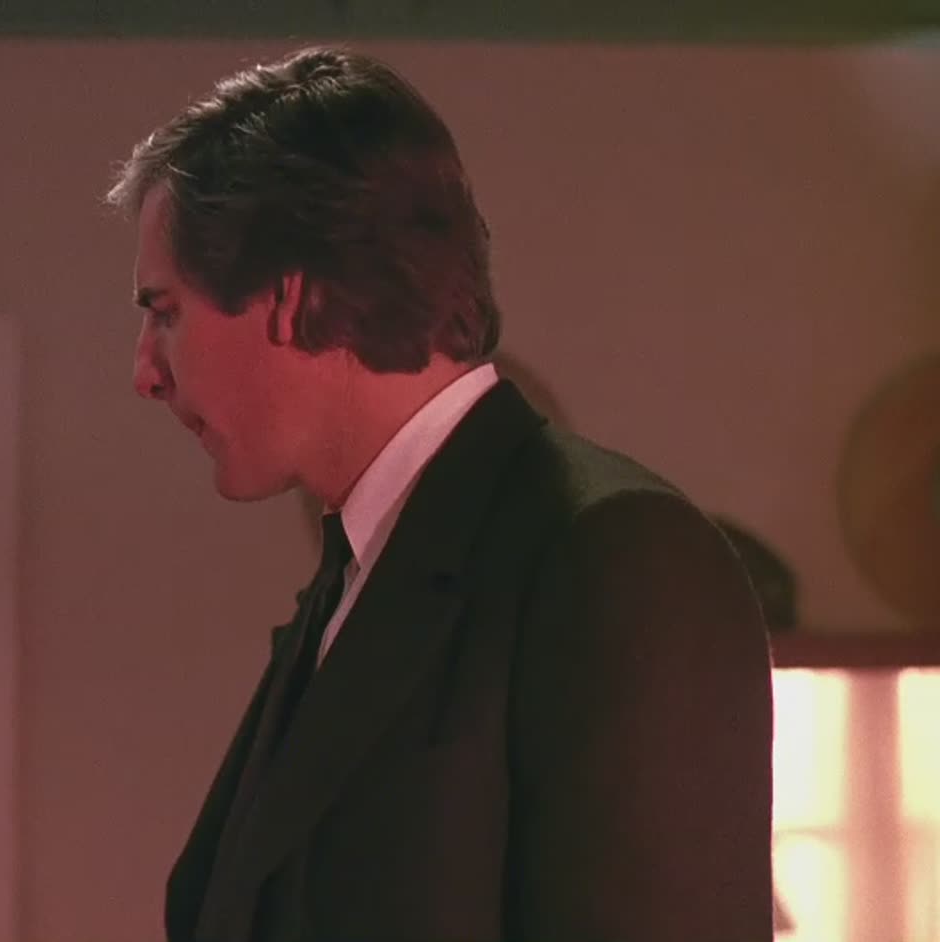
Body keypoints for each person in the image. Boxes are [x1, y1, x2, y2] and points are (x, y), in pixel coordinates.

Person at [106, 46, 774, 942]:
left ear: (289, 297)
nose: (146, 374)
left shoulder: (616, 553)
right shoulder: (358, 567)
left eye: (165, 312)